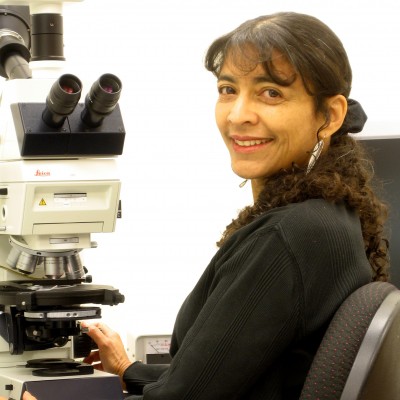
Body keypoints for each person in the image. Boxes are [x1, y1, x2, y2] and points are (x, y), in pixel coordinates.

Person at [4, 11, 390, 400]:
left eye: (271, 93)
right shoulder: (328, 216)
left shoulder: (287, 237)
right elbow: (234, 372)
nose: (239, 115)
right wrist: (128, 369)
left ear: (330, 115)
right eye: (227, 89)